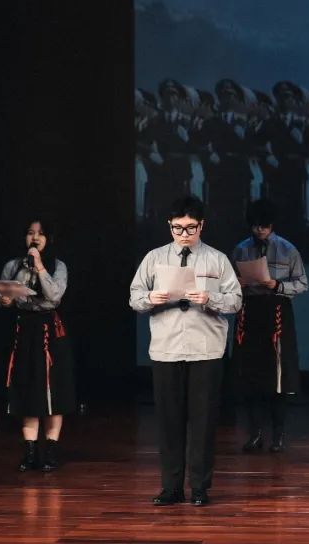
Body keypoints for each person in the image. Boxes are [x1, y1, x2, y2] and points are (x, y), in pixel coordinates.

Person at [129, 197, 242, 506]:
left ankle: (200, 488)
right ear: (169, 225)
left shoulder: (217, 259)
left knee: (203, 423)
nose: (184, 234)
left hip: (206, 350)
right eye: (177, 228)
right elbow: (134, 297)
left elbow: (236, 301)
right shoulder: (154, 258)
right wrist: (151, 297)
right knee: (169, 423)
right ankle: (171, 488)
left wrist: (210, 298)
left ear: (201, 226)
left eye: (190, 228)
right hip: (166, 349)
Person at [231, 200, 309, 453]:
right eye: (255, 226)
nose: (260, 231)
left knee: (278, 377)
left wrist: (278, 285)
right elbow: (228, 284)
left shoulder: (288, 249)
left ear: (272, 225)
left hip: (276, 310)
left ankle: (278, 435)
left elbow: (303, 284)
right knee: (250, 375)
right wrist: (237, 283)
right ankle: (255, 434)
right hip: (249, 311)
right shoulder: (241, 249)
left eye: (264, 226)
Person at [0, 219, 74, 471]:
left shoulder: (57, 266)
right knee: (27, 387)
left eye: (40, 234)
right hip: (24, 330)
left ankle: (51, 450)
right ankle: (30, 451)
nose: (35, 238)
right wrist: (5, 300)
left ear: (48, 239)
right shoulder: (13, 265)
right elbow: (4, 297)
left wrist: (39, 266)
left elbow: (55, 296)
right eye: (30, 233)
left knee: (53, 389)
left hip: (50, 330)